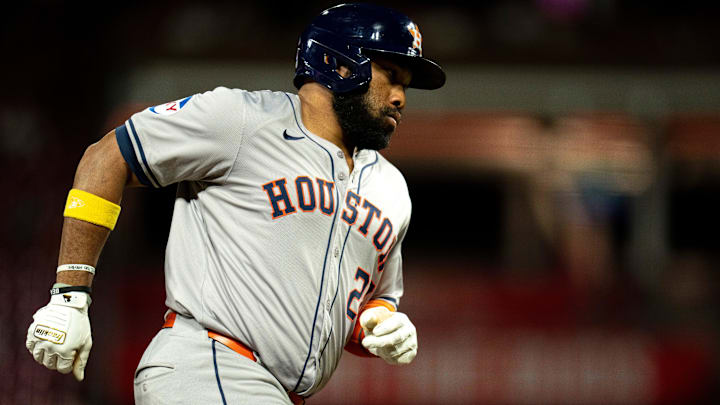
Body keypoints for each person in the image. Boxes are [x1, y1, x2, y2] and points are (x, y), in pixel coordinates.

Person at [25, 3, 446, 404]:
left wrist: (378, 322)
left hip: (276, 393)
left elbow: (367, 304)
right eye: (389, 74)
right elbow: (107, 157)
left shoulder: (391, 190)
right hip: (208, 366)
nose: (400, 98)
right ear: (337, 63)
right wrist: (70, 294)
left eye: (405, 85)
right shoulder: (241, 121)